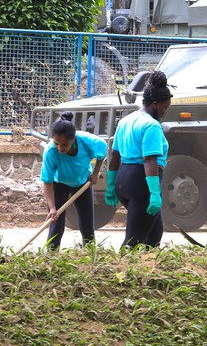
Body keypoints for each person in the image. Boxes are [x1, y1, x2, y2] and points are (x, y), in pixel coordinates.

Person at [106, 70, 172, 248]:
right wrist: (155, 192)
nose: (166, 112)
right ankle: (120, 272)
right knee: (133, 242)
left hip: (123, 180)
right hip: (140, 184)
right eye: (165, 107)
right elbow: (149, 160)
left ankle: (148, 269)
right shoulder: (151, 125)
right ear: (156, 105)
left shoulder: (125, 121)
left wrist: (111, 185)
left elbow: (115, 156)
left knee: (154, 233)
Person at [40, 111, 108, 250]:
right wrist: (52, 208)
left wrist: (95, 174)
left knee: (87, 224)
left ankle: (90, 255)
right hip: (60, 185)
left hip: (83, 184)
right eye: (56, 143)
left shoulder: (87, 141)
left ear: (73, 139)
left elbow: (102, 150)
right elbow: (47, 181)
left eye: (64, 144)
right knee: (56, 225)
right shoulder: (50, 151)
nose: (60, 148)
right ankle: (50, 257)